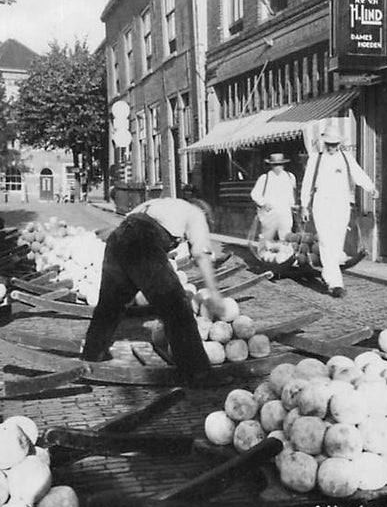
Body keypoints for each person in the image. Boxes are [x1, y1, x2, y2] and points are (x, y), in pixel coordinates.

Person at [80, 197, 225, 386]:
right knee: (177, 307)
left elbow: (132, 226)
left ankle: (92, 355)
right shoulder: (196, 214)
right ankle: (198, 374)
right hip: (143, 241)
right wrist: (214, 293)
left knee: (110, 306)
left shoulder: (163, 203)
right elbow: (200, 253)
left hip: (118, 239)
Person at [300, 123, 379, 298]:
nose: (332, 148)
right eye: (329, 144)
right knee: (326, 242)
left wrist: (371, 188)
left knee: (336, 243)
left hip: (341, 205)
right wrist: (304, 205)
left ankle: (330, 271)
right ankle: (334, 283)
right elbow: (307, 182)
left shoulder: (346, 157)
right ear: (324, 143)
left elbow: (358, 174)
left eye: (335, 144)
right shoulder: (316, 158)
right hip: (322, 204)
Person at [250, 152, 297, 242]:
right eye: (275, 165)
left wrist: (293, 205)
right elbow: (254, 194)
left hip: (285, 212)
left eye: (280, 164)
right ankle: (264, 254)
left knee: (286, 236)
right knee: (267, 237)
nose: (278, 167)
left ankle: (285, 255)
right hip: (270, 213)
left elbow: (292, 193)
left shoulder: (290, 177)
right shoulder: (265, 178)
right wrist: (263, 204)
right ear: (271, 165)